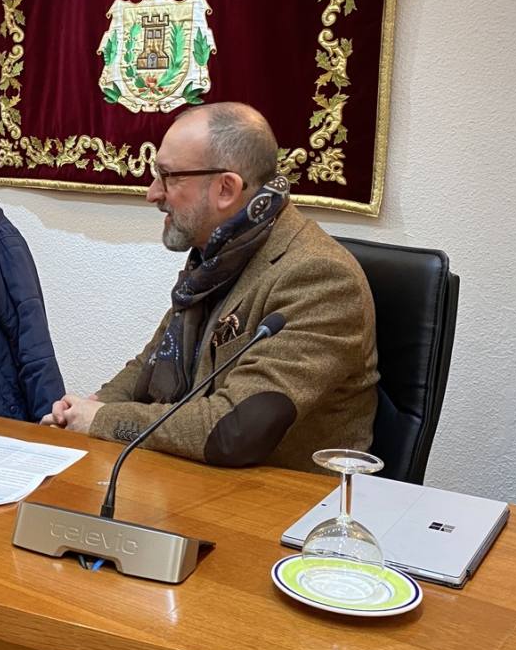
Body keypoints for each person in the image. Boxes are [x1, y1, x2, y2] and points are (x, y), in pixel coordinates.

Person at [41, 103, 378, 472]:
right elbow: (148, 365)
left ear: (226, 189)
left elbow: (236, 430)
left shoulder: (321, 277)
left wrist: (102, 420)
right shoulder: (218, 255)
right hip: (191, 478)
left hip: (283, 498)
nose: (152, 193)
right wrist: (86, 409)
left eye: (168, 177)